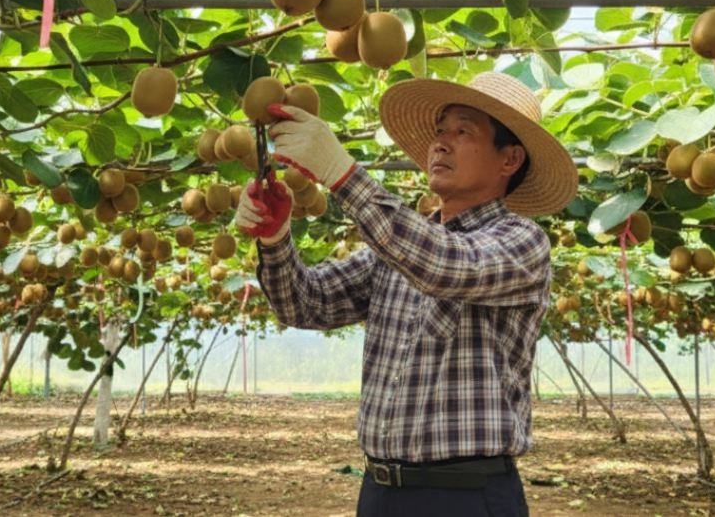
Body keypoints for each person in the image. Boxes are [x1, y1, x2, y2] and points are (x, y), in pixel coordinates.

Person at [234, 72, 578, 516]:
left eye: (462, 131)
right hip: (381, 491)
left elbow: (446, 266)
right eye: (439, 131)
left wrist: (343, 174)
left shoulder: (521, 241)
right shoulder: (395, 251)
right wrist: (276, 238)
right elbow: (306, 303)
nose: (441, 143)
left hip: (467, 497)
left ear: (509, 159)